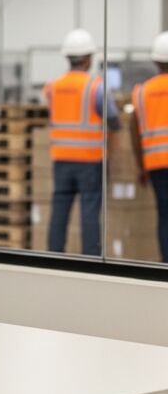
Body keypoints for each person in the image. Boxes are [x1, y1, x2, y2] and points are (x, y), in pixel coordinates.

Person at [44, 29, 120, 256]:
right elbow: (113, 119)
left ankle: (54, 255)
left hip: (61, 159)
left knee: (59, 209)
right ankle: (90, 259)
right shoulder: (97, 87)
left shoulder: (52, 87)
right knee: (89, 212)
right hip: (89, 160)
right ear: (88, 58)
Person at [130, 31, 168, 262]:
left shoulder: (141, 92)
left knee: (165, 215)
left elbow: (134, 132)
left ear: (155, 61)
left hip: (155, 165)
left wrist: (140, 166)